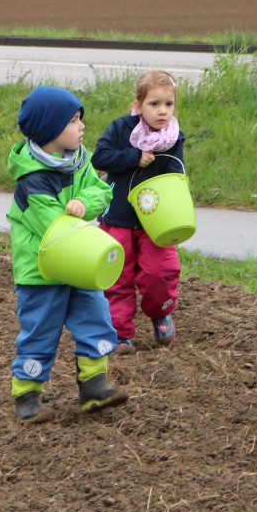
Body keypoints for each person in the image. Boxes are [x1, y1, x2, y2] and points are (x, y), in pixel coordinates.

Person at [7, 85, 127, 423]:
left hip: (79, 261)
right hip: (42, 270)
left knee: (96, 318)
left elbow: (101, 190)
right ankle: (27, 395)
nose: (82, 126)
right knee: (40, 332)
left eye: (80, 119)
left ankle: (94, 384)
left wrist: (85, 203)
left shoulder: (79, 160)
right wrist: (72, 213)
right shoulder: (32, 181)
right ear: (49, 130)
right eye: (73, 121)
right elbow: (52, 227)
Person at [92, 70, 184, 353]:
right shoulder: (121, 129)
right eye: (154, 104)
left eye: (168, 104)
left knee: (160, 271)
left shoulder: (174, 137)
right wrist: (133, 157)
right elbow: (100, 157)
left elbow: (176, 176)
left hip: (156, 223)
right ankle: (120, 334)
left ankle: (159, 313)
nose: (162, 111)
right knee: (118, 276)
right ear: (138, 104)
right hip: (119, 216)